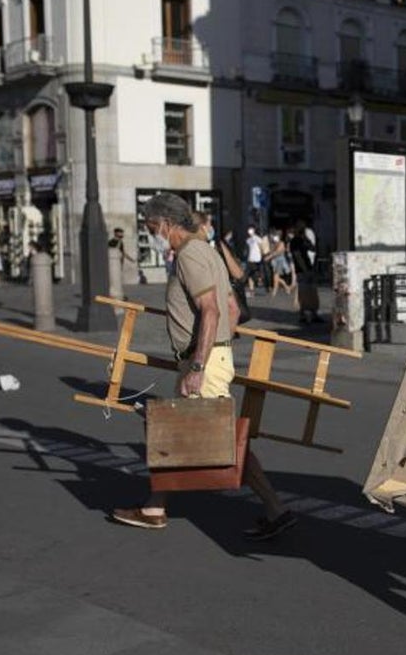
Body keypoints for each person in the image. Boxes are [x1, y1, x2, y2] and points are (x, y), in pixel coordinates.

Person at [111, 193, 296, 540]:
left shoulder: (189, 256)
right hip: (212, 357)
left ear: (166, 224)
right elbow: (233, 309)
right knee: (194, 436)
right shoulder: (207, 252)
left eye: (153, 228)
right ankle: (158, 506)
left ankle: (158, 508)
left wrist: (198, 365)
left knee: (207, 440)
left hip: (204, 361)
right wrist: (217, 348)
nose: (154, 234)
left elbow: (211, 309)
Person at [290, 218, 322, 324]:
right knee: (304, 292)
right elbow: (297, 256)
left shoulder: (303, 240)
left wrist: (306, 240)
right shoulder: (294, 241)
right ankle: (304, 314)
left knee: (311, 292)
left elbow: (313, 249)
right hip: (302, 270)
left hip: (308, 268)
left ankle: (313, 313)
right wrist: (305, 270)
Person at [267, 228, 294, 297]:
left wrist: (269, 257)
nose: (274, 237)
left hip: (280, 262)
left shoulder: (281, 243)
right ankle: (286, 287)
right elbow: (271, 252)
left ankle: (275, 291)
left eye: (276, 236)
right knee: (276, 277)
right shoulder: (273, 244)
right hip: (274, 262)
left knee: (275, 277)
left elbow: (278, 252)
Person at [245, 226, 266, 292]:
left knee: (252, 273)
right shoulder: (248, 239)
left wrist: (262, 256)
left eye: (251, 229)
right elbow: (248, 249)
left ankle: (260, 281)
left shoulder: (257, 238)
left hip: (257, 259)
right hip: (250, 259)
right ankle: (252, 289)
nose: (250, 231)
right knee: (250, 275)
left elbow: (261, 247)